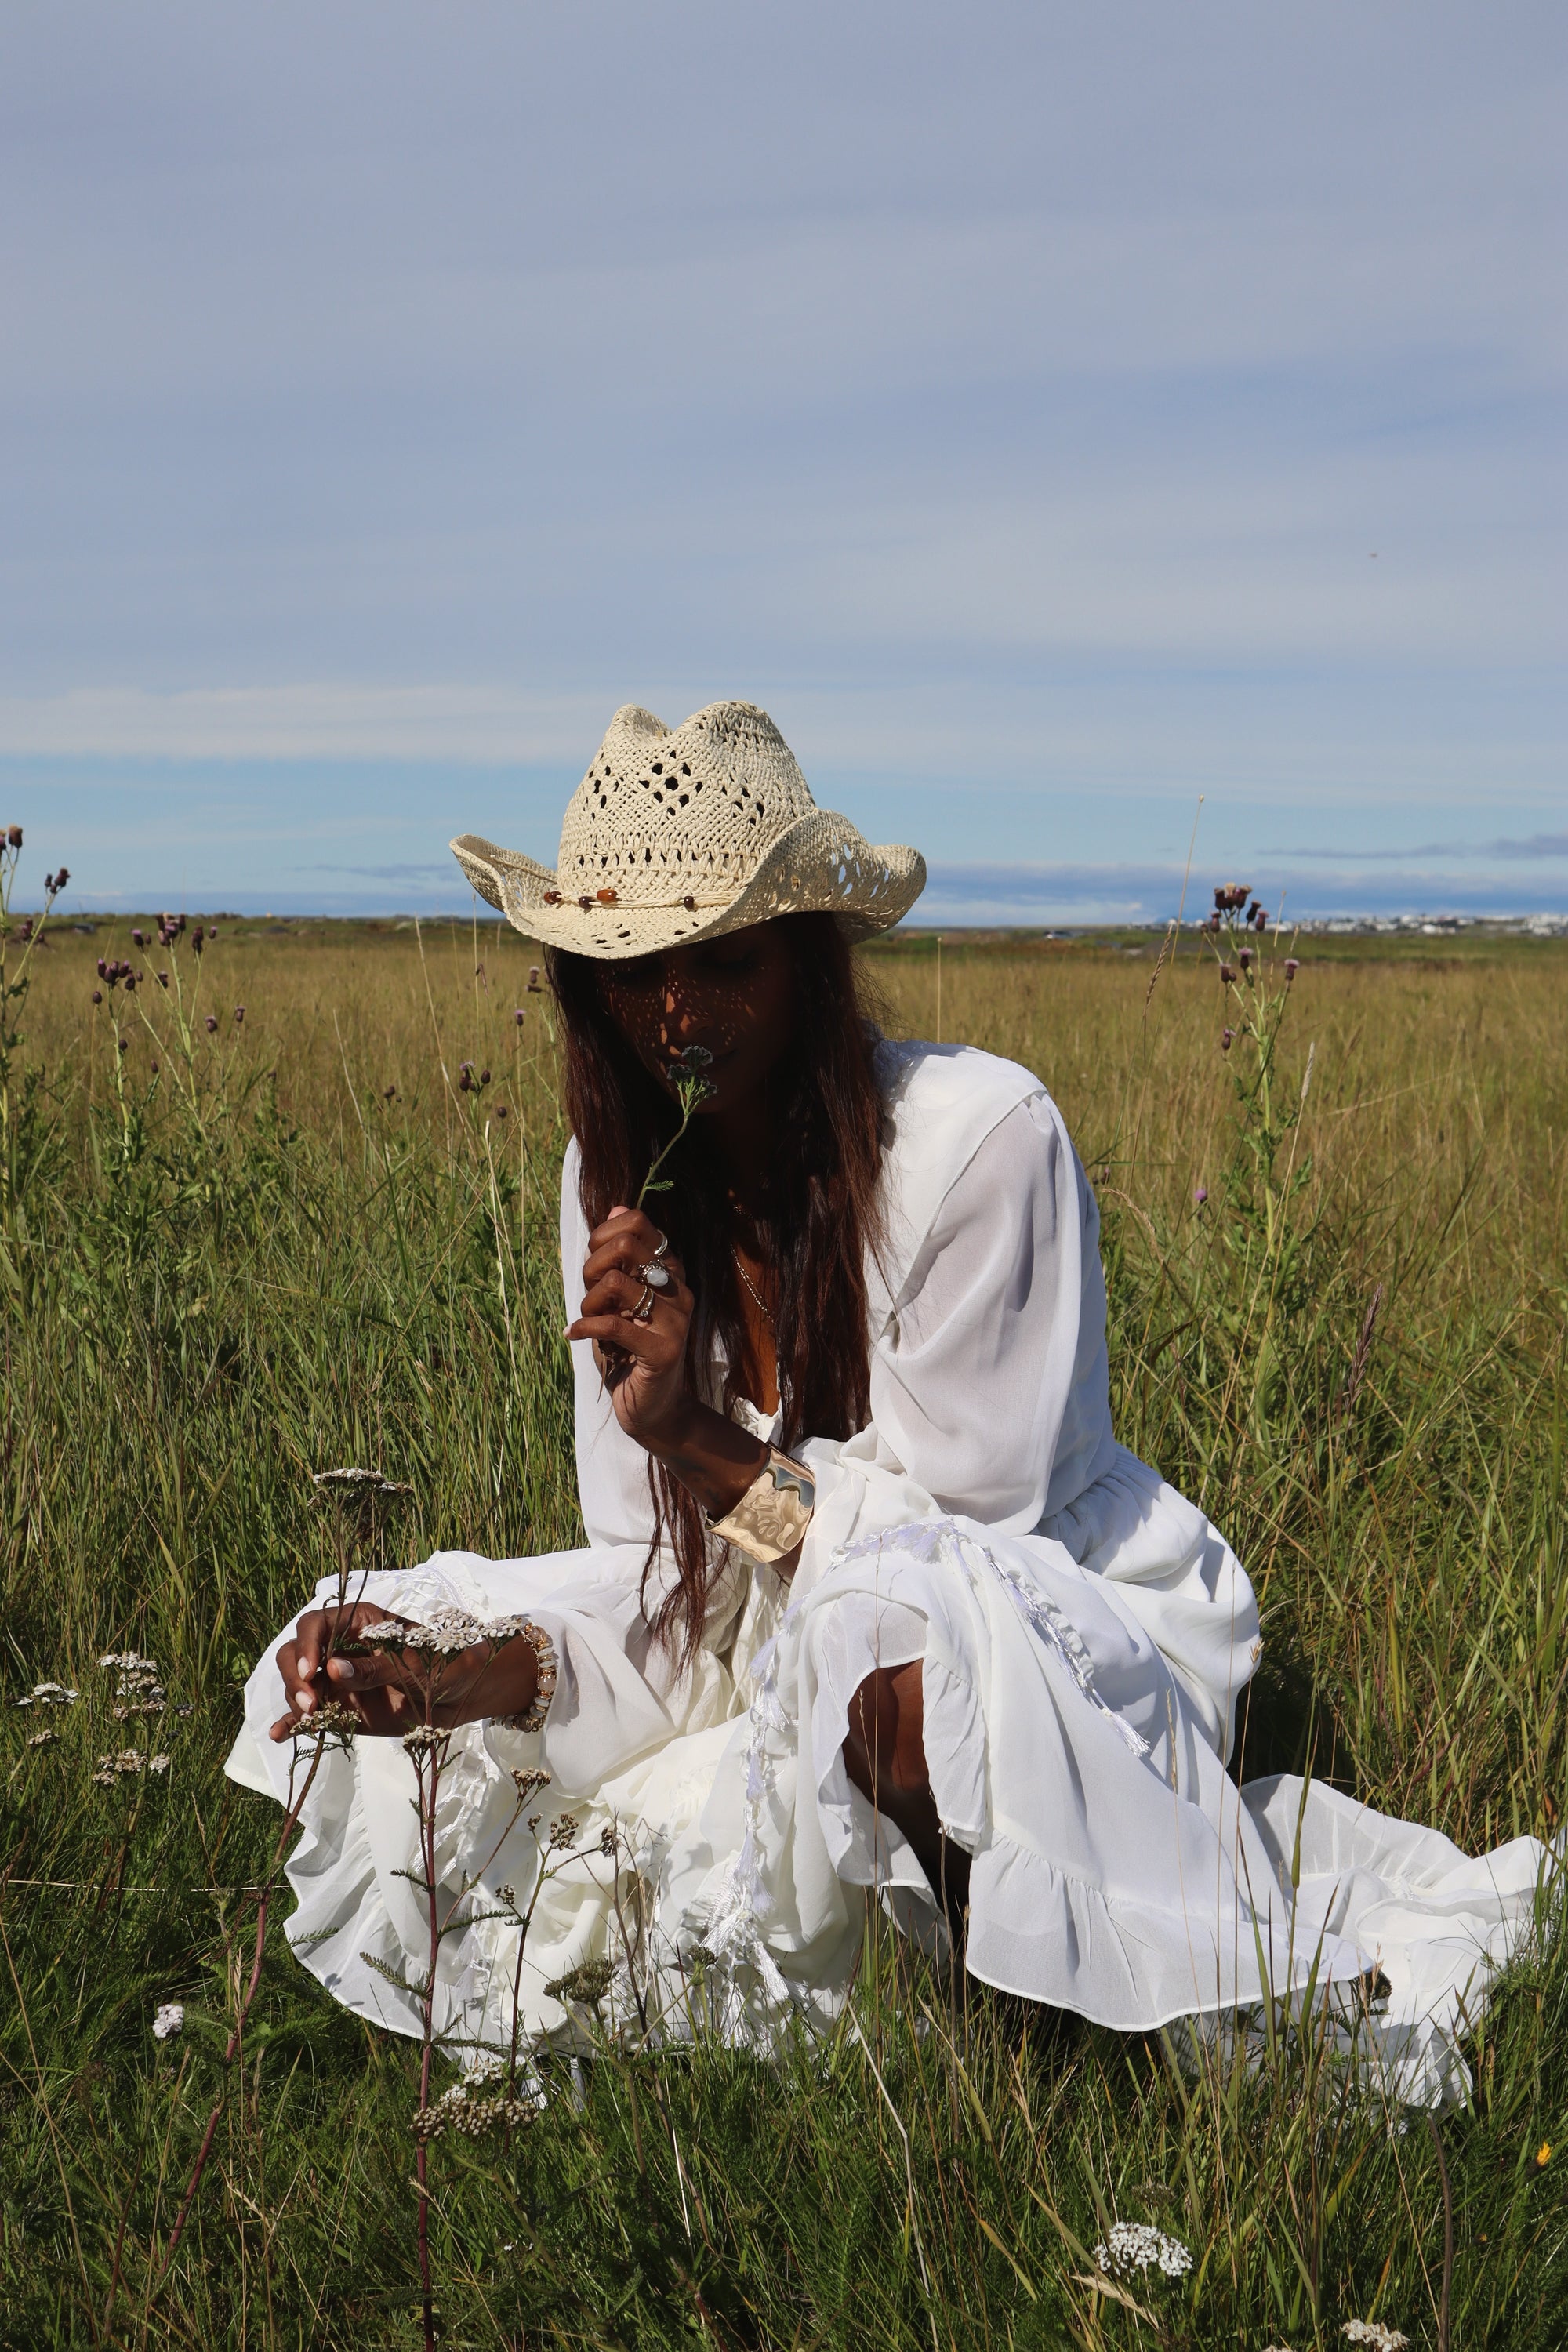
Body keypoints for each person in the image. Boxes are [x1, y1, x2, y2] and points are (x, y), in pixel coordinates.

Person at [228, 699, 1552, 2105]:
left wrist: (695, 1431)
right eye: (628, 969)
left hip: (1053, 1625)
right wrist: (471, 1674)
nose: (674, 1010)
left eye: (720, 958)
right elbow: (664, 1584)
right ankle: (949, 2014)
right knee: (424, 1659)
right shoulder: (608, 1179)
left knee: (895, 1663)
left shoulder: (975, 1145)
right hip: (799, 1647)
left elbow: (955, 1558)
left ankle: (1040, 2036)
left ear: (806, 960)